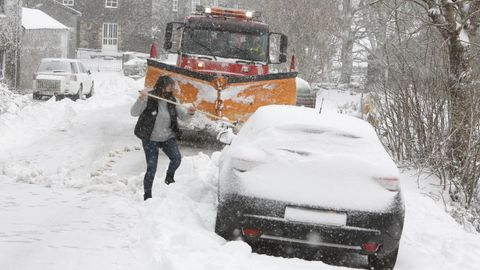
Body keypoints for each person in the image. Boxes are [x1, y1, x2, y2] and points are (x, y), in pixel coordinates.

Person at [131, 75, 196, 200]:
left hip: (167, 137)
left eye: (172, 87)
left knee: (176, 159)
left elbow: (183, 116)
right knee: (152, 168)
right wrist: (141, 99)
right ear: (161, 86)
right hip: (151, 139)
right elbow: (133, 113)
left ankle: (169, 177)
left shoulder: (172, 100)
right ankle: (147, 195)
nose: (171, 89)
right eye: (169, 86)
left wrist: (190, 113)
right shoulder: (149, 98)